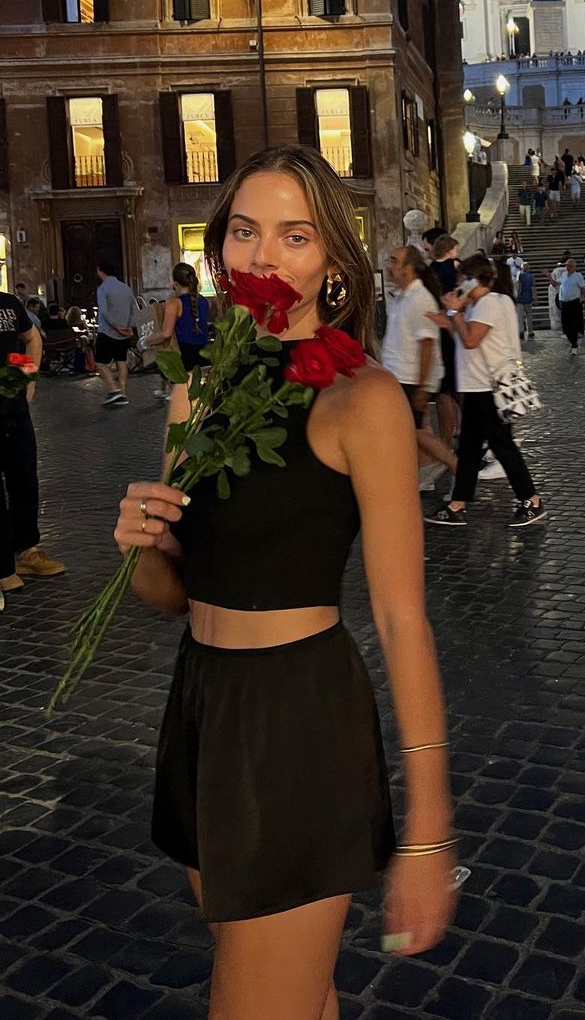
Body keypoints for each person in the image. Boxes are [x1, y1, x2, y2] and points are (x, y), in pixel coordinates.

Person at [116, 145, 455, 1015]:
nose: (264, 256)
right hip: (202, 708)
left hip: (297, 724)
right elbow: (172, 596)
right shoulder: (200, 386)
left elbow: (402, 619)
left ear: (334, 262)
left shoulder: (361, 399)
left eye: (294, 236)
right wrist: (142, 547)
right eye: (245, 231)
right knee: (295, 993)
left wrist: (428, 830)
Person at [425, 254, 545, 528]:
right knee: (469, 448)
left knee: (502, 446)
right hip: (477, 386)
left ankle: (532, 500)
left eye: (462, 281)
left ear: (472, 280)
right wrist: (450, 318)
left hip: (487, 388)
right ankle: (458, 504)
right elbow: (465, 337)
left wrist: (455, 313)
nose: (458, 286)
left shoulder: (489, 303)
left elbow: (470, 340)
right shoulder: (488, 303)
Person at [0, 290, 65, 610]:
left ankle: (26, 549)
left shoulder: (8, 303)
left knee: (25, 480)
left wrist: (29, 376)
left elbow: (31, 338)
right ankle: (3, 567)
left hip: (14, 407)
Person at [384, 246, 458, 481]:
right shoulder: (402, 297)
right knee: (412, 431)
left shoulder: (420, 299)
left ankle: (455, 466)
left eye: (394, 261)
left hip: (409, 377)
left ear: (408, 268)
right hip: (399, 375)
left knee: (413, 431)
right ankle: (419, 475)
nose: (389, 265)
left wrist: (423, 385)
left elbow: (427, 344)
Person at [146, 264, 211, 402]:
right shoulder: (204, 301)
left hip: (184, 355)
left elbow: (166, 333)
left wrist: (146, 341)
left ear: (175, 283)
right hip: (205, 353)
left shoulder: (174, 303)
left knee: (182, 401)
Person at [429, 234, 461, 444]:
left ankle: (447, 439)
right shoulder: (455, 268)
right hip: (452, 327)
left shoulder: (429, 271)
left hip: (436, 329)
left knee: (444, 390)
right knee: (458, 386)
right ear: (450, 250)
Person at [95, 260, 138, 406]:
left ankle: (114, 390)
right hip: (125, 333)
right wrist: (129, 327)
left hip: (107, 332)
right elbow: (134, 309)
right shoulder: (126, 288)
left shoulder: (103, 289)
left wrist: (116, 326)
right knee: (121, 361)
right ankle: (123, 392)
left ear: (101, 271)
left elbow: (104, 311)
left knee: (100, 363)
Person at [556, 257, 585, 355]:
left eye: (569, 266)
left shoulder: (578, 276)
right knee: (565, 325)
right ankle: (572, 342)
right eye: (566, 265)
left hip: (574, 303)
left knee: (573, 325)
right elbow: (556, 283)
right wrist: (548, 276)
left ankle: (574, 346)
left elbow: (583, 288)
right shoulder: (564, 275)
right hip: (564, 303)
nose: (567, 267)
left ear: (574, 267)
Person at [516, 261, 535, 340]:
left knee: (520, 317)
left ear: (522, 267)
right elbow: (533, 287)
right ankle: (530, 332)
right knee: (529, 316)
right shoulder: (531, 276)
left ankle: (521, 332)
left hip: (520, 299)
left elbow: (518, 285)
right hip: (528, 298)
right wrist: (534, 297)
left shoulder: (519, 275)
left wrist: (516, 295)